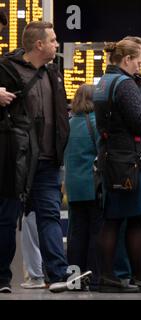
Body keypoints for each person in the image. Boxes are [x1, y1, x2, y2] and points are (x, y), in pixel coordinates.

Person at [0, 21, 90, 293]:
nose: (56, 44)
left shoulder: (53, 73)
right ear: (39, 44)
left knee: (49, 215)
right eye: (52, 40)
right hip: (15, 159)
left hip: (48, 160)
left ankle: (57, 274)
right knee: (6, 217)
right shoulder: (6, 69)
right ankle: (2, 278)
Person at [93, 39, 141, 293]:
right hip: (131, 162)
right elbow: (138, 122)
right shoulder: (125, 84)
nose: (140, 66)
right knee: (137, 219)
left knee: (112, 219)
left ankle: (107, 275)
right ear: (126, 60)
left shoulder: (105, 82)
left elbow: (119, 117)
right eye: (139, 61)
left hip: (112, 158)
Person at [64, 84, 103, 290]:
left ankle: (74, 281)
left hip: (73, 188)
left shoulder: (68, 123)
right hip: (93, 186)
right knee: (96, 233)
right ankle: (94, 278)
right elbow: (102, 153)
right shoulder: (96, 123)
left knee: (76, 234)